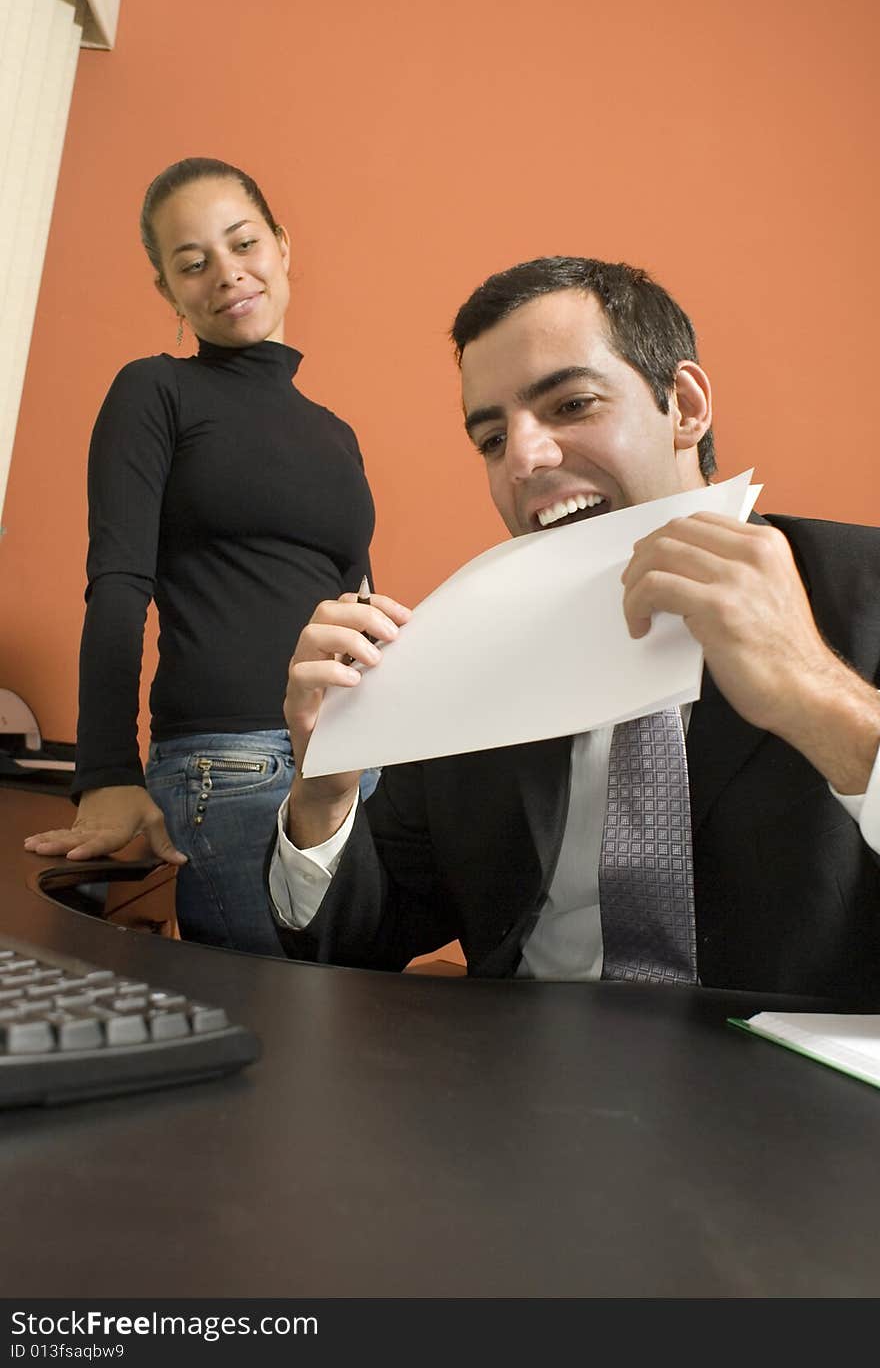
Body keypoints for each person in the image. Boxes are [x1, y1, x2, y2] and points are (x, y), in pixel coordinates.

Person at [269, 256, 880, 999]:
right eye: (492, 440)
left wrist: (819, 694)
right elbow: (355, 946)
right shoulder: (468, 653)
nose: (523, 459)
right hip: (517, 1083)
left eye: (571, 404)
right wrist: (324, 797)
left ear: (684, 405)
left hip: (793, 1096)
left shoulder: (865, 586)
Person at [24, 156, 379, 956]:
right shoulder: (156, 391)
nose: (227, 273)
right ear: (169, 292)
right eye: (193, 263)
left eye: (243, 242)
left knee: (367, 1025)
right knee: (291, 1029)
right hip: (231, 766)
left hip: (351, 762)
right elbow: (118, 582)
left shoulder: (334, 432)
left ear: (282, 246)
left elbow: (355, 604)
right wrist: (107, 774)